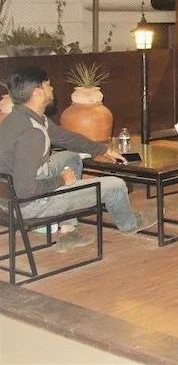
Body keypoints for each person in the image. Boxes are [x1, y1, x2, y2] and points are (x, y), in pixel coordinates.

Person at [0, 67, 153, 249]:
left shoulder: (19, 119)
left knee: (71, 158)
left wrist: (102, 149)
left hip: (8, 199)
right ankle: (130, 224)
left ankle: (68, 231)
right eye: (48, 85)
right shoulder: (32, 134)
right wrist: (61, 180)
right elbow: (26, 190)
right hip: (29, 205)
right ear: (37, 92)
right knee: (116, 185)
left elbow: (66, 139)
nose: (52, 89)